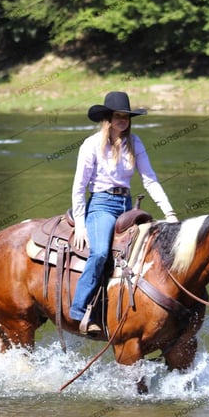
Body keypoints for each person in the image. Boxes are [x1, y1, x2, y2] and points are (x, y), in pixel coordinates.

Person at [69, 91, 179, 334]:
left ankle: (133, 308)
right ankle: (79, 308)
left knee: (146, 252)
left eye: (126, 117)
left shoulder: (135, 143)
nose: (123, 121)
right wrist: (80, 222)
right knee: (99, 253)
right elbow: (79, 186)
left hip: (127, 205)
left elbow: (149, 179)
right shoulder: (91, 145)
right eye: (118, 117)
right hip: (101, 204)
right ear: (107, 119)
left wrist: (169, 213)